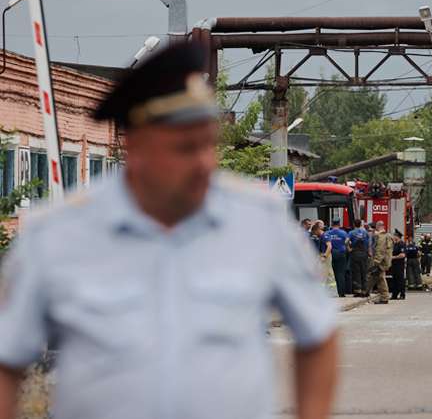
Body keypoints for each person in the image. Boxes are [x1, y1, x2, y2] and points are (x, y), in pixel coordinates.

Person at [0, 43, 338, 419]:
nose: (203, 162)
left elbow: (319, 334)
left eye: (208, 144)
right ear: (135, 144)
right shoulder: (58, 234)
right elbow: (7, 358)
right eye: (184, 148)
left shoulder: (259, 222)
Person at [367, 220, 392, 304]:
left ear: (378, 227)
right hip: (385, 260)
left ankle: (384, 297)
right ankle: (383, 296)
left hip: (381, 261)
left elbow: (380, 250)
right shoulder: (387, 235)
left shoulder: (382, 237)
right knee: (379, 278)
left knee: (380, 279)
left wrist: (376, 262)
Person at [325, 218, 351, 297]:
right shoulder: (343, 233)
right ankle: (341, 292)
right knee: (341, 273)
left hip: (331, 254)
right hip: (341, 254)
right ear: (339, 224)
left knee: (331, 273)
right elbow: (348, 242)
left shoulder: (328, 233)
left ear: (332, 224)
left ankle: (331, 292)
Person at [348, 219, 370, 297]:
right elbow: (368, 244)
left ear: (354, 224)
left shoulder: (351, 232)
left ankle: (358, 291)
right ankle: (365, 291)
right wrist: (369, 253)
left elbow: (346, 241)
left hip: (355, 254)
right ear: (361, 224)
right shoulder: (365, 232)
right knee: (364, 272)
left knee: (356, 272)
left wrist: (349, 249)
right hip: (364, 254)